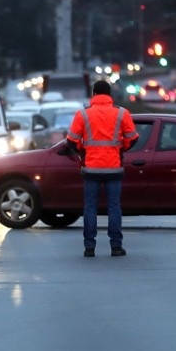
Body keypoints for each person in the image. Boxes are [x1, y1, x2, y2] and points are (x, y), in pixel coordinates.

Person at [66, 80, 138, 257]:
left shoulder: (83, 114)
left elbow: (71, 141)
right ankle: (116, 246)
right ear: (110, 95)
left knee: (90, 207)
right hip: (113, 167)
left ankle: (89, 247)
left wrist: (83, 152)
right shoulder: (122, 113)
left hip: (91, 168)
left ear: (94, 94)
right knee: (114, 206)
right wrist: (120, 148)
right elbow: (133, 138)